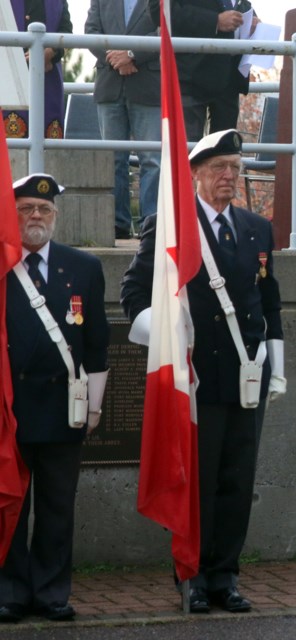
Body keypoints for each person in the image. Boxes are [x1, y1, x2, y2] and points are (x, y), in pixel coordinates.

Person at [120, 130, 284, 613]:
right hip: (197, 378)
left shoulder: (257, 228)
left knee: (238, 479)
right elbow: (133, 294)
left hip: (247, 373)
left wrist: (277, 364)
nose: (228, 176)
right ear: (195, 174)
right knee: (199, 481)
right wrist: (170, 341)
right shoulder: (169, 225)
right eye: (218, 169)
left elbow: (268, 299)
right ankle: (190, 574)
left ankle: (225, 575)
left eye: (234, 167)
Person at [1, 174, 109, 624]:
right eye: (26, 208)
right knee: (9, 505)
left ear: (56, 217)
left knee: (57, 508)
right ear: (12, 215)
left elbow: (98, 342)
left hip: (65, 409)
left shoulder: (83, 267)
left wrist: (96, 407)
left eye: (44, 210)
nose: (36, 217)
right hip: (11, 411)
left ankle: (51, 593)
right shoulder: (3, 266)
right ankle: (9, 592)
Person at [85, 0, 162, 240]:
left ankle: (151, 223)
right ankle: (116, 223)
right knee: (112, 159)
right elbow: (91, 32)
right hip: (110, 84)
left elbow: (165, 31)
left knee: (152, 159)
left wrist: (132, 55)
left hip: (148, 86)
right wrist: (116, 59)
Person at [148, 0, 258, 141]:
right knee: (189, 151)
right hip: (190, 76)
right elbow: (158, 10)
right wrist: (215, 21)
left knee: (224, 151)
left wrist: (252, 20)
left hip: (229, 80)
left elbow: (236, 5)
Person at [3, 0, 73, 139]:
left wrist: (50, 52)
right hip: (10, 76)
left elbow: (66, 30)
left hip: (48, 78)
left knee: (47, 149)